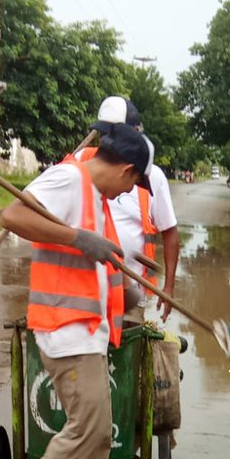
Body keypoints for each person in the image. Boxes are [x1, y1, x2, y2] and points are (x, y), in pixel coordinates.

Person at [0, 122, 155, 459]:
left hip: (87, 330)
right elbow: (12, 216)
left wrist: (121, 263)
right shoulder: (69, 179)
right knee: (86, 425)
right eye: (135, 184)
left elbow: (91, 253)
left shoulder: (93, 194)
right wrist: (77, 238)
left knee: (100, 429)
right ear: (126, 170)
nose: (130, 194)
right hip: (65, 328)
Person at [80, 96, 179, 325]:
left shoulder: (150, 175)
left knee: (124, 354)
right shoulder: (78, 163)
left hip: (128, 294)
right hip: (84, 290)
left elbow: (170, 232)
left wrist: (169, 287)